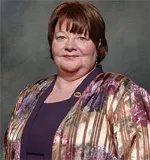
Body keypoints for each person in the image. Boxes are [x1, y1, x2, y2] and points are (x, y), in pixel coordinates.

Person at [4, 1, 150, 160]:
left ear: (97, 44)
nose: (70, 46)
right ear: (52, 43)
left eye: (81, 38)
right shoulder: (29, 96)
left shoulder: (120, 93)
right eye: (61, 37)